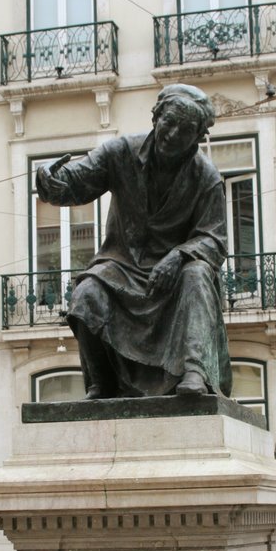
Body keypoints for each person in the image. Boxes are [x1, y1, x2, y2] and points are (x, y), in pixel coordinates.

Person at [36, 84, 232, 399]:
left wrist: (179, 256)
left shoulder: (205, 177)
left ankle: (195, 372)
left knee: (197, 274)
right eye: (169, 122)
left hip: (175, 279)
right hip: (122, 267)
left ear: (197, 138)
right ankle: (102, 384)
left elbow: (215, 239)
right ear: (156, 117)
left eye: (185, 130)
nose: (172, 134)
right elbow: (79, 180)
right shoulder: (121, 152)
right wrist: (50, 182)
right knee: (87, 293)